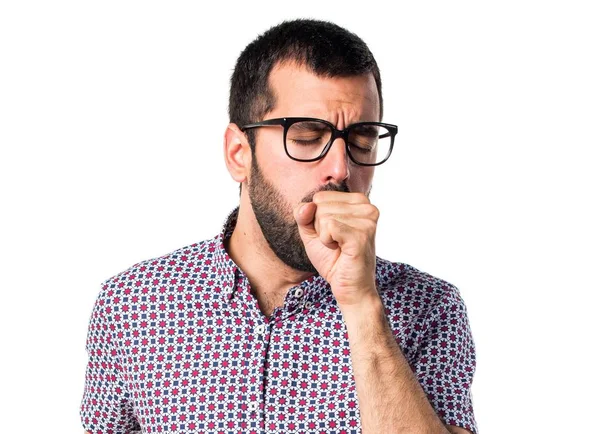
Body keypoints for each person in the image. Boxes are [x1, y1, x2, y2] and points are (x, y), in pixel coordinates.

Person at [81, 18, 477, 434]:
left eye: (361, 140)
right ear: (239, 153)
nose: (340, 169)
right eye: (307, 137)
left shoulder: (430, 309)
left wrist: (361, 304)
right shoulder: (132, 306)